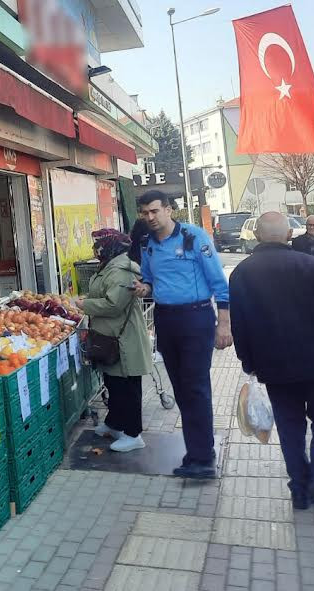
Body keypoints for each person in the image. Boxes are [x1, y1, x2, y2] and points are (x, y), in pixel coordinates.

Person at [229, 212, 314, 509]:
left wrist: (248, 362)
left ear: (256, 236)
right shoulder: (310, 265)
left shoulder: (241, 273)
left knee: (290, 425)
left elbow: (239, 326)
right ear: (288, 236)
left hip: (274, 366)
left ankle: (299, 489)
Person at [132, 190, 231, 479]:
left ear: (169, 209)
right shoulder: (148, 245)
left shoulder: (194, 237)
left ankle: (202, 460)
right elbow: (150, 280)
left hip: (196, 318)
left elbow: (218, 282)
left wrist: (224, 324)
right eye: (144, 213)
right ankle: (200, 450)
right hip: (166, 320)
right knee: (182, 389)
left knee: (196, 388)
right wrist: (143, 288)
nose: (150, 217)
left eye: (154, 211)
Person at [76, 229, 153, 452]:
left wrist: (85, 305)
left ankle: (133, 434)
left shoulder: (121, 269)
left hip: (124, 338)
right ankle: (114, 423)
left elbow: (114, 304)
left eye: (98, 244)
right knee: (114, 383)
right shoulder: (110, 265)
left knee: (127, 387)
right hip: (111, 337)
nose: (95, 249)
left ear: (110, 245)